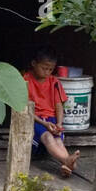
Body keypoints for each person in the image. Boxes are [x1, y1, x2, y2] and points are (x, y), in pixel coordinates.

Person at [24, 45, 80, 177]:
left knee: (58, 140)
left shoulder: (54, 81)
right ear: (34, 64)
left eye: (50, 69)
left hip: (51, 120)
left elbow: (58, 105)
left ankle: (68, 166)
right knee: (49, 137)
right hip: (35, 119)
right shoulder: (25, 80)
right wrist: (44, 124)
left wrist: (59, 123)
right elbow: (24, 108)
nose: (47, 72)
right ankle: (68, 161)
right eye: (44, 68)